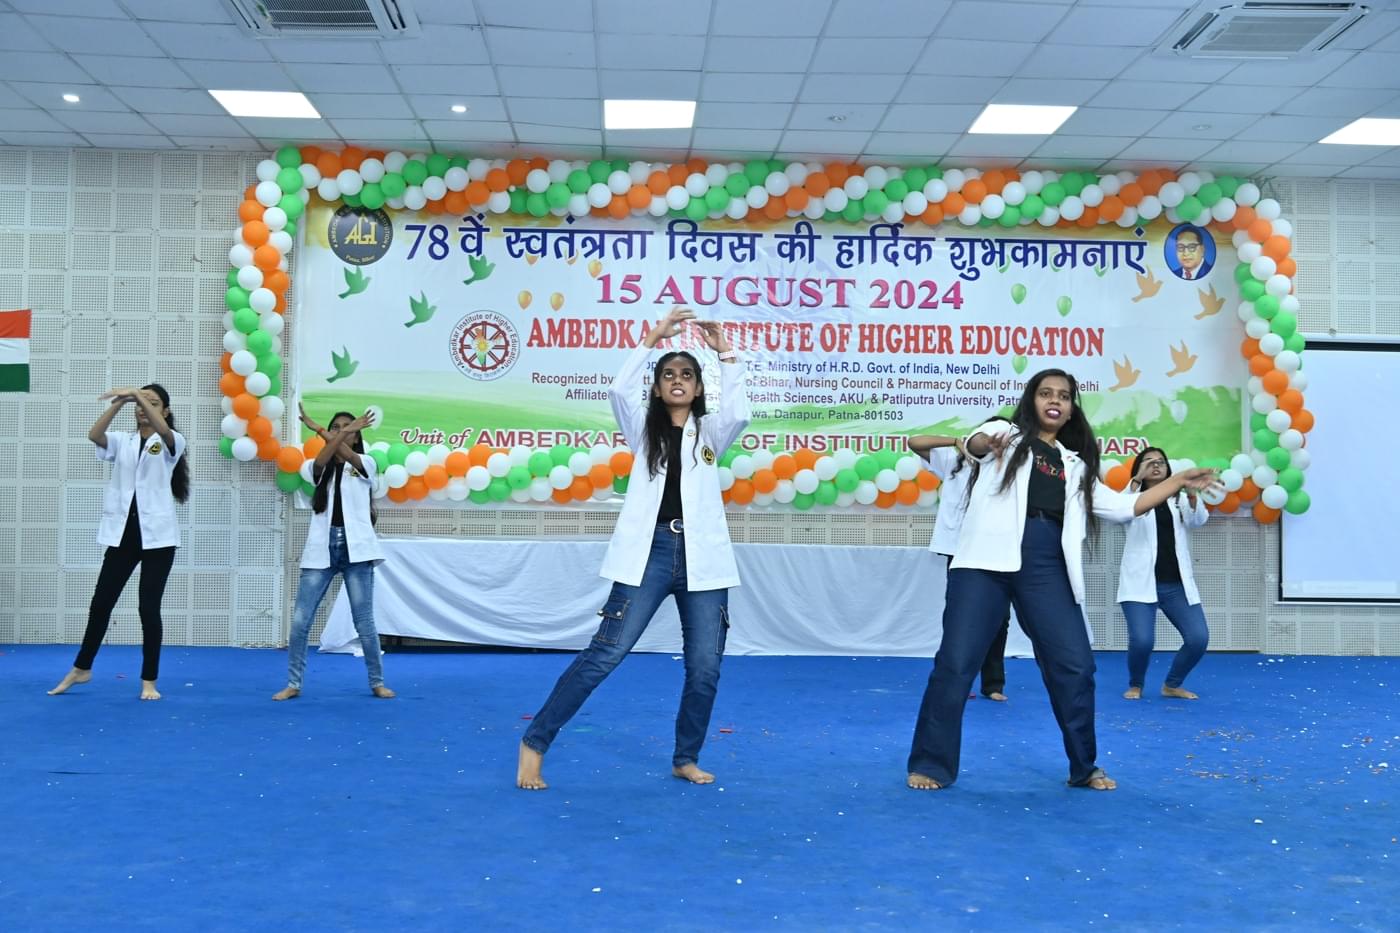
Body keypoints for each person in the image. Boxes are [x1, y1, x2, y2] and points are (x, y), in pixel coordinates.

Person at [905, 370, 1219, 792]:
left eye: (1064, 396)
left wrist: (1178, 481)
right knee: (956, 663)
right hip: (983, 563)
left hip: (1047, 567)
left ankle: (1084, 767)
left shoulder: (1075, 466)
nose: (1055, 400)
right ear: (1031, 400)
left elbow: (1128, 507)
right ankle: (931, 763)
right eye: (1046, 393)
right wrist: (982, 443)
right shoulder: (1005, 433)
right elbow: (977, 443)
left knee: (1075, 665)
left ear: (1071, 408)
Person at [517, 307, 750, 790]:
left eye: (687, 375)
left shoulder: (711, 433)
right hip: (651, 554)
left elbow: (741, 411)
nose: (678, 381)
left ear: (699, 387)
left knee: (705, 667)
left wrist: (724, 349)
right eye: (669, 375)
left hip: (703, 561)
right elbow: (618, 391)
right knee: (606, 654)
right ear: (659, 387)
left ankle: (685, 757)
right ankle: (534, 743)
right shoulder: (644, 432)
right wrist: (653, 338)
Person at [49, 384, 189, 700]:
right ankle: (82, 668)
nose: (143, 408)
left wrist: (138, 395)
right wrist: (119, 402)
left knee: (148, 608)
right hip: (123, 534)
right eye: (139, 404)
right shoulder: (123, 441)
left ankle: (149, 681)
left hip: (158, 539)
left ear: (164, 410)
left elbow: (164, 431)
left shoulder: (171, 441)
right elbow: (94, 435)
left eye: (152, 403)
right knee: (101, 604)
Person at [273, 406, 395, 701]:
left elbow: (352, 458)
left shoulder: (364, 462)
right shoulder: (318, 465)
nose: (344, 431)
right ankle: (294, 683)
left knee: (364, 621)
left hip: (357, 550)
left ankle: (376, 681)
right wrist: (332, 433)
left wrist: (327, 430)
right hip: (322, 548)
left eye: (349, 428)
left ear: (356, 438)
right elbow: (320, 462)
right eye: (338, 427)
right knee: (302, 619)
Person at [909, 415, 1013, 701]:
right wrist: (957, 441)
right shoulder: (954, 460)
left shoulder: (1009, 467)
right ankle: (958, 680)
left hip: (995, 549)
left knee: (998, 618)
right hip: (959, 549)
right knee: (958, 616)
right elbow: (914, 442)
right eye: (987, 434)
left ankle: (993, 684)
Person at [1117, 448, 1210, 700]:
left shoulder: (1178, 498)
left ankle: (1172, 685)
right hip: (1140, 583)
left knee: (1198, 638)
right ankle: (1136, 684)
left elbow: (1198, 520)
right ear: (1139, 468)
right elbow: (1119, 511)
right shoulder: (1133, 497)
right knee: (1143, 641)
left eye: (1160, 462)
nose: (1155, 466)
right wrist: (1136, 480)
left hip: (1175, 585)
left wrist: (1191, 495)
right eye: (1149, 462)